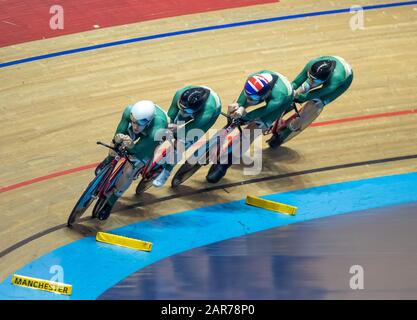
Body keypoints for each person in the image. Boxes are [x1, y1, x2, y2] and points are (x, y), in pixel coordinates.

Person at [206, 70, 294, 183]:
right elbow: (242, 99)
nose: (249, 100)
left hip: (281, 102)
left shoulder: (280, 97)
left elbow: (262, 112)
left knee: (250, 133)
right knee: (235, 109)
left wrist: (246, 117)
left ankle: (224, 165)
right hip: (259, 91)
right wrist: (238, 107)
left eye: (252, 99)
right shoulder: (252, 80)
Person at [94, 100, 168, 220]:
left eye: (139, 124)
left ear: (148, 122)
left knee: (129, 171)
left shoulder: (156, 130)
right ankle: (107, 161)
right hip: (145, 128)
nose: (135, 126)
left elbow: (138, 150)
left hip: (152, 138)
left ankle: (110, 202)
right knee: (116, 143)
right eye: (133, 122)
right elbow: (119, 133)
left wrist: (132, 146)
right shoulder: (129, 111)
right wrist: (117, 141)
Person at [268, 56, 353, 148]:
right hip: (319, 73)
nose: (312, 81)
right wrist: (290, 96)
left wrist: (301, 97)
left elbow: (314, 94)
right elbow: (295, 83)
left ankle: (286, 133)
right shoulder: (312, 64)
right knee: (294, 93)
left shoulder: (336, 80)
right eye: (310, 77)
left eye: (315, 80)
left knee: (315, 104)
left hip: (343, 82)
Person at [152, 85, 222, 187]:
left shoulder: (208, 110)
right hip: (190, 106)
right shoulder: (179, 94)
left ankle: (166, 172)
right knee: (167, 126)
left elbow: (191, 129)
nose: (183, 111)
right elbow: (171, 116)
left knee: (182, 142)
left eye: (187, 111)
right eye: (181, 107)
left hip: (204, 118)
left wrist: (178, 132)